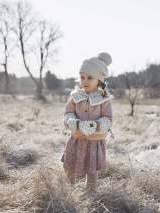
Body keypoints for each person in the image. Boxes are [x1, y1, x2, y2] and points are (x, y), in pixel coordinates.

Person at [61, 52, 114, 192]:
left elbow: (108, 119)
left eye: (90, 78)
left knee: (91, 170)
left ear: (100, 80)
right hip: (76, 137)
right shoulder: (76, 97)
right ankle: (68, 190)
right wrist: (71, 120)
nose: (85, 81)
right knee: (69, 164)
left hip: (94, 140)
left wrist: (95, 125)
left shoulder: (104, 99)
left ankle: (91, 192)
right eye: (82, 77)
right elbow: (68, 112)